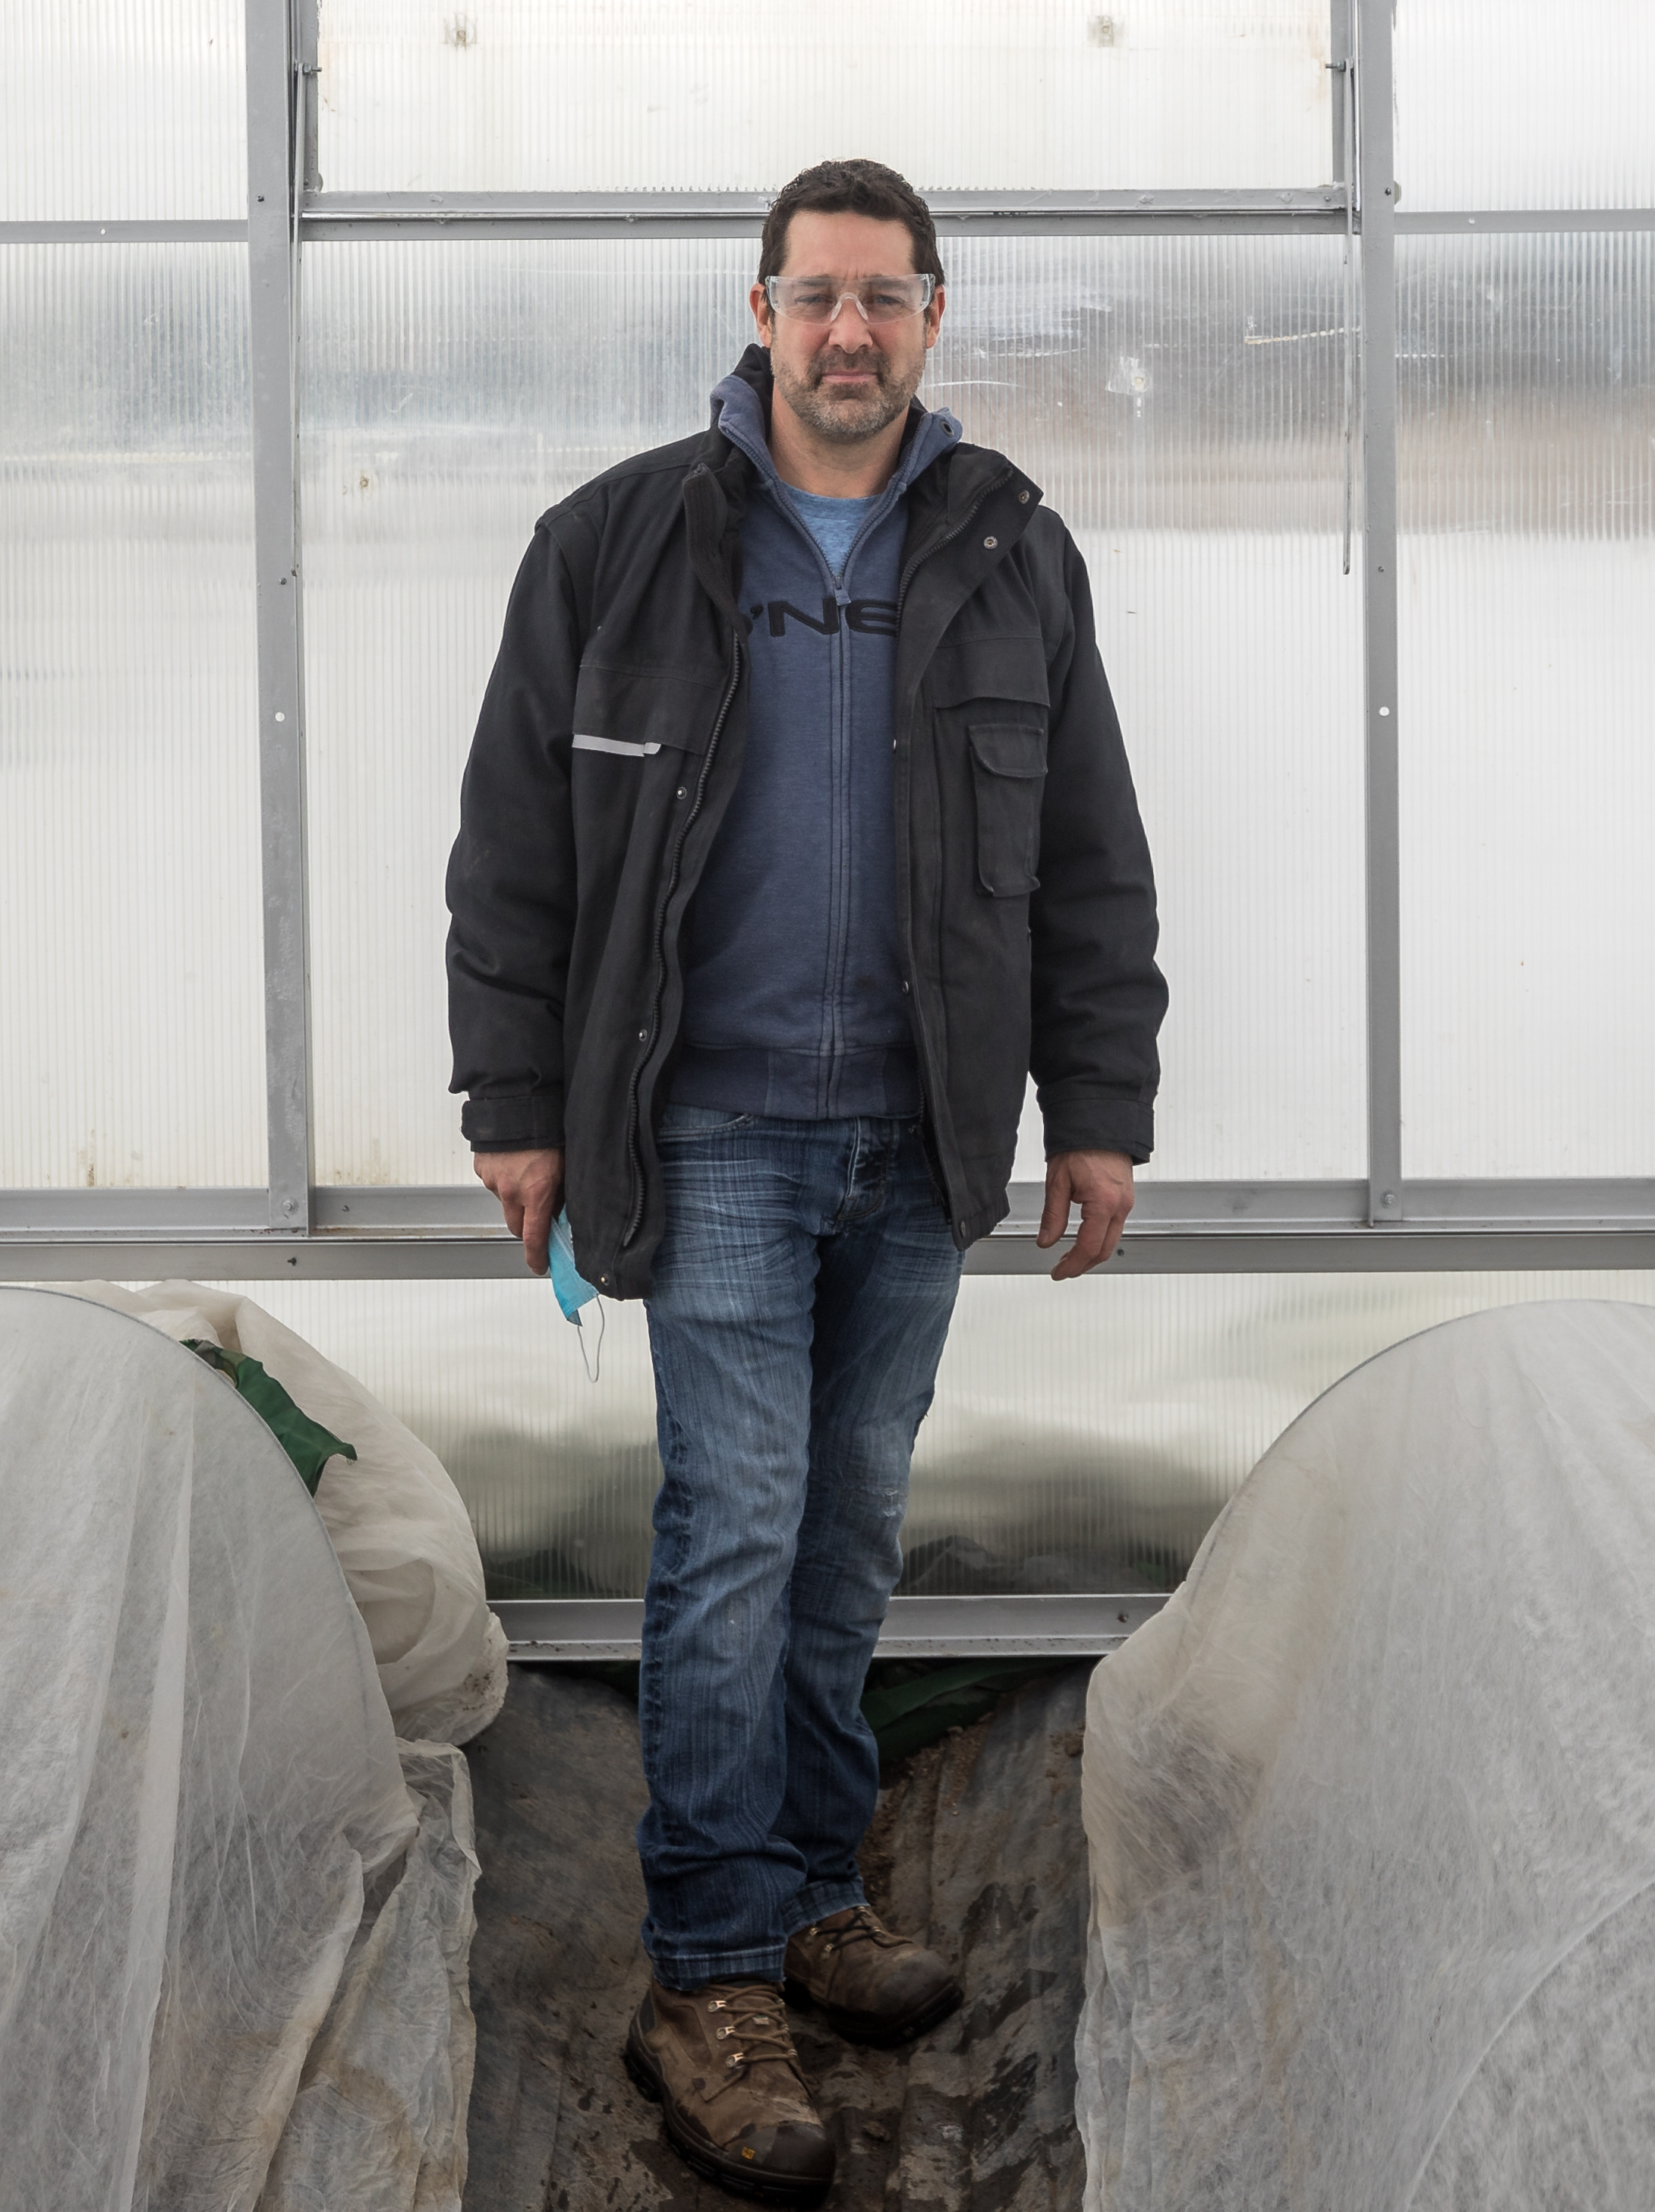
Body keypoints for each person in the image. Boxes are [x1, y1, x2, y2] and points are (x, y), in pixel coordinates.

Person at [446, 155, 1165, 2207]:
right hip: (715, 1124)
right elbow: (517, 853)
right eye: (814, 297)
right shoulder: (618, 547)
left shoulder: (1011, 548)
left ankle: (809, 1900)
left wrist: (1093, 1110)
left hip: (925, 1134)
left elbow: (1091, 858)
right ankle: (706, 1971)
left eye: (886, 298)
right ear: (758, 314)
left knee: (848, 1535)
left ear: (937, 318)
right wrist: (519, 1104)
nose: (849, 333)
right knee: (736, 1532)